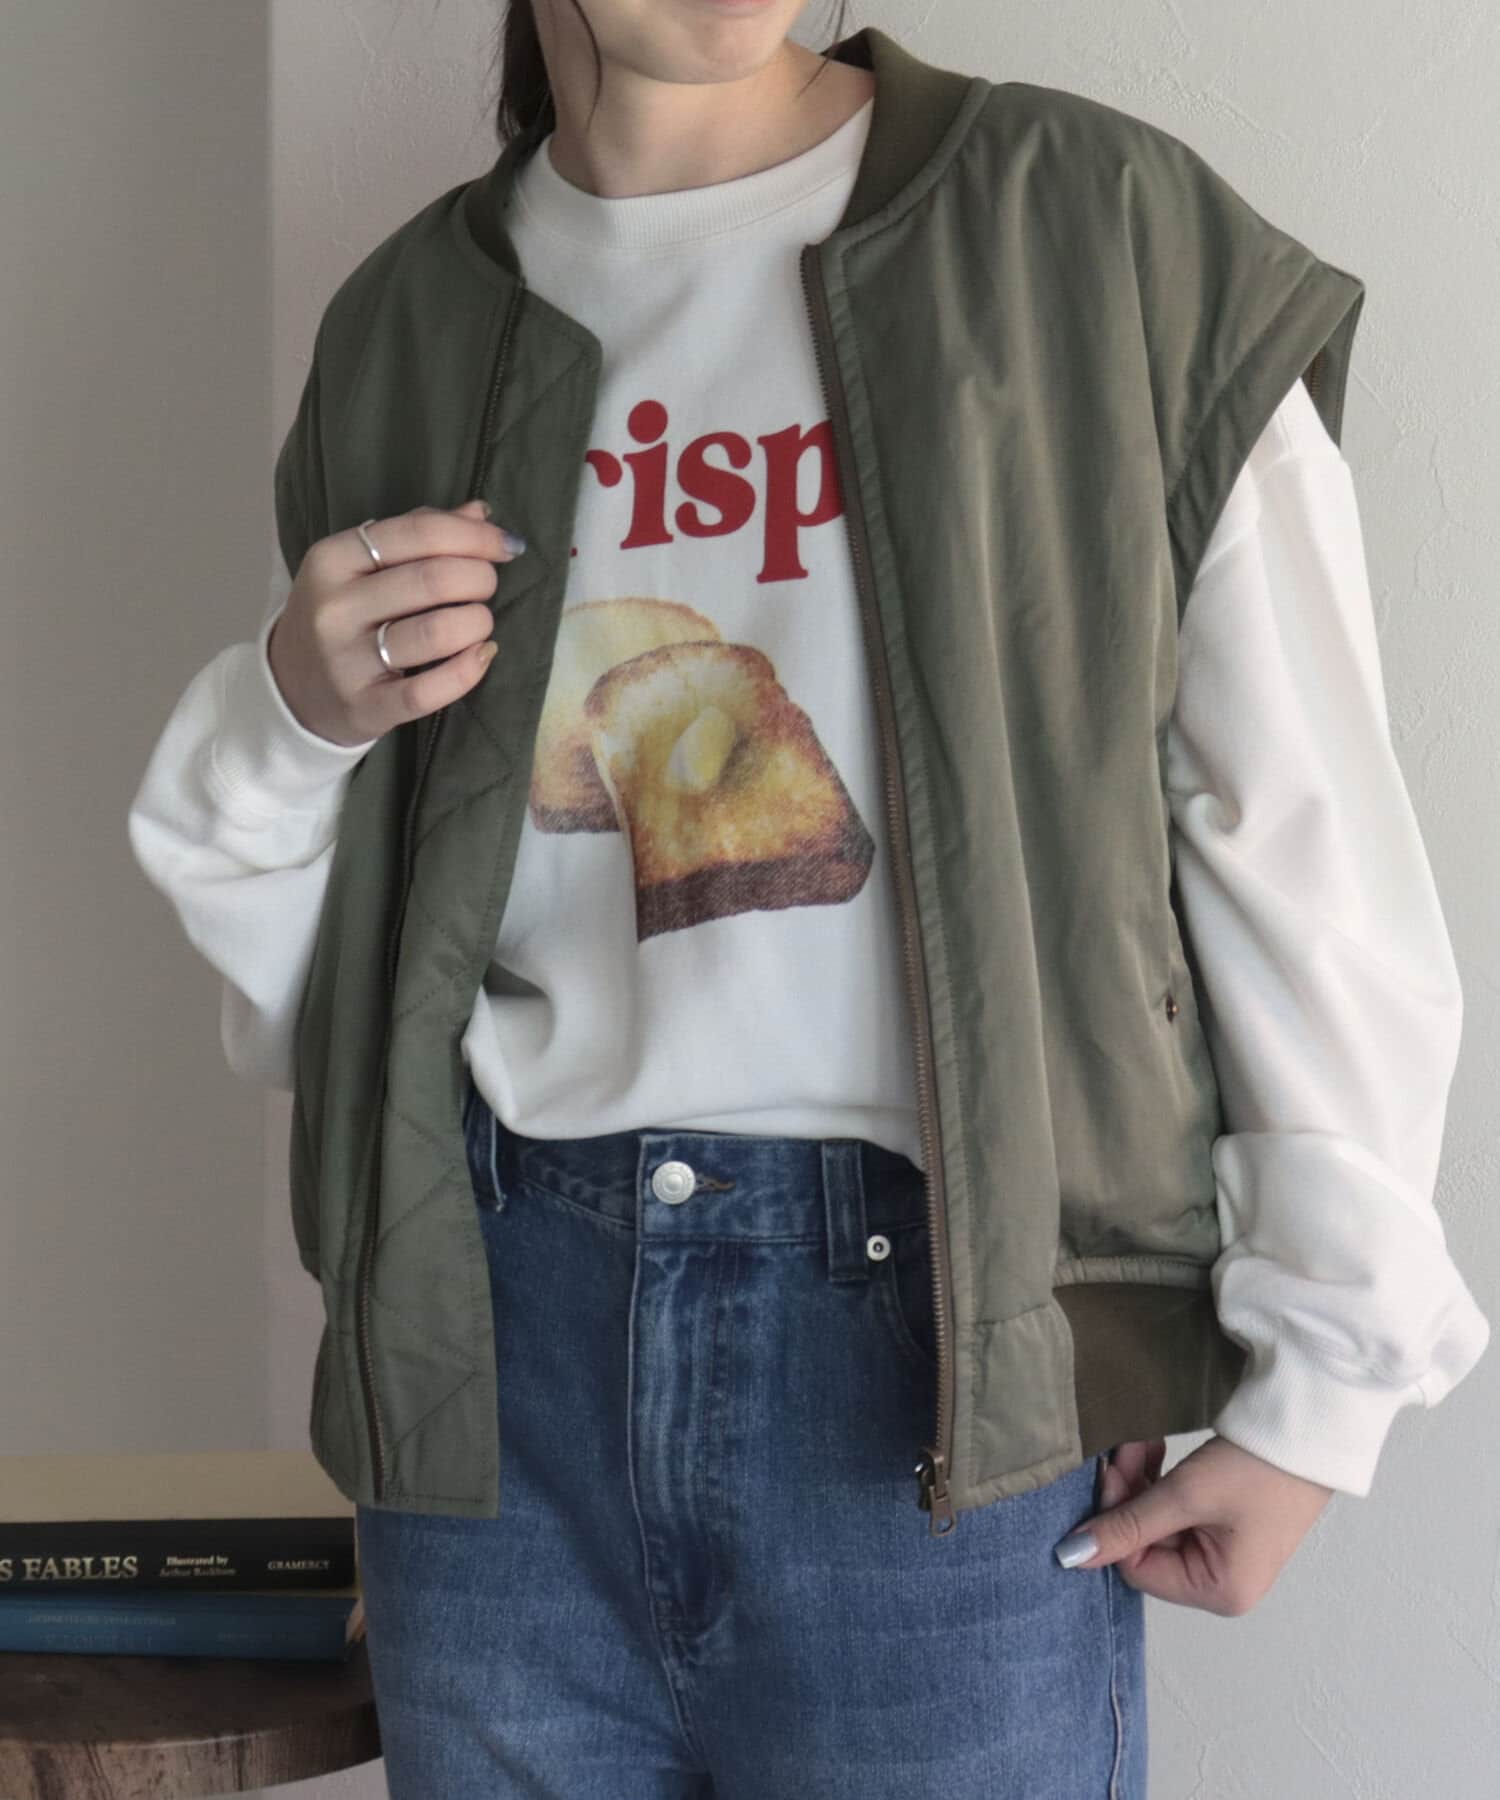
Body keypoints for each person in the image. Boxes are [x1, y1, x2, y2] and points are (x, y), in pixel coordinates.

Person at [128, 4, 1490, 1794]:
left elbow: (1297, 829)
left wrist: (1324, 1385)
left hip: (938, 1367)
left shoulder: (1094, 228)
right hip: (494, 1380)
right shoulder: (406, 324)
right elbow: (328, 996)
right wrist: (290, 716)